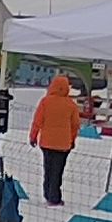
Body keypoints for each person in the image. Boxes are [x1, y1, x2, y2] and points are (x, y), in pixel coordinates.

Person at [28, 72, 83, 205]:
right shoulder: (71, 105)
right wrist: (72, 140)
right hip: (63, 145)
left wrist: (33, 136)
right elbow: (75, 126)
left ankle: (47, 193)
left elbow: (37, 121)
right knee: (57, 171)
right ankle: (55, 197)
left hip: (46, 143)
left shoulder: (45, 102)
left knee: (48, 169)